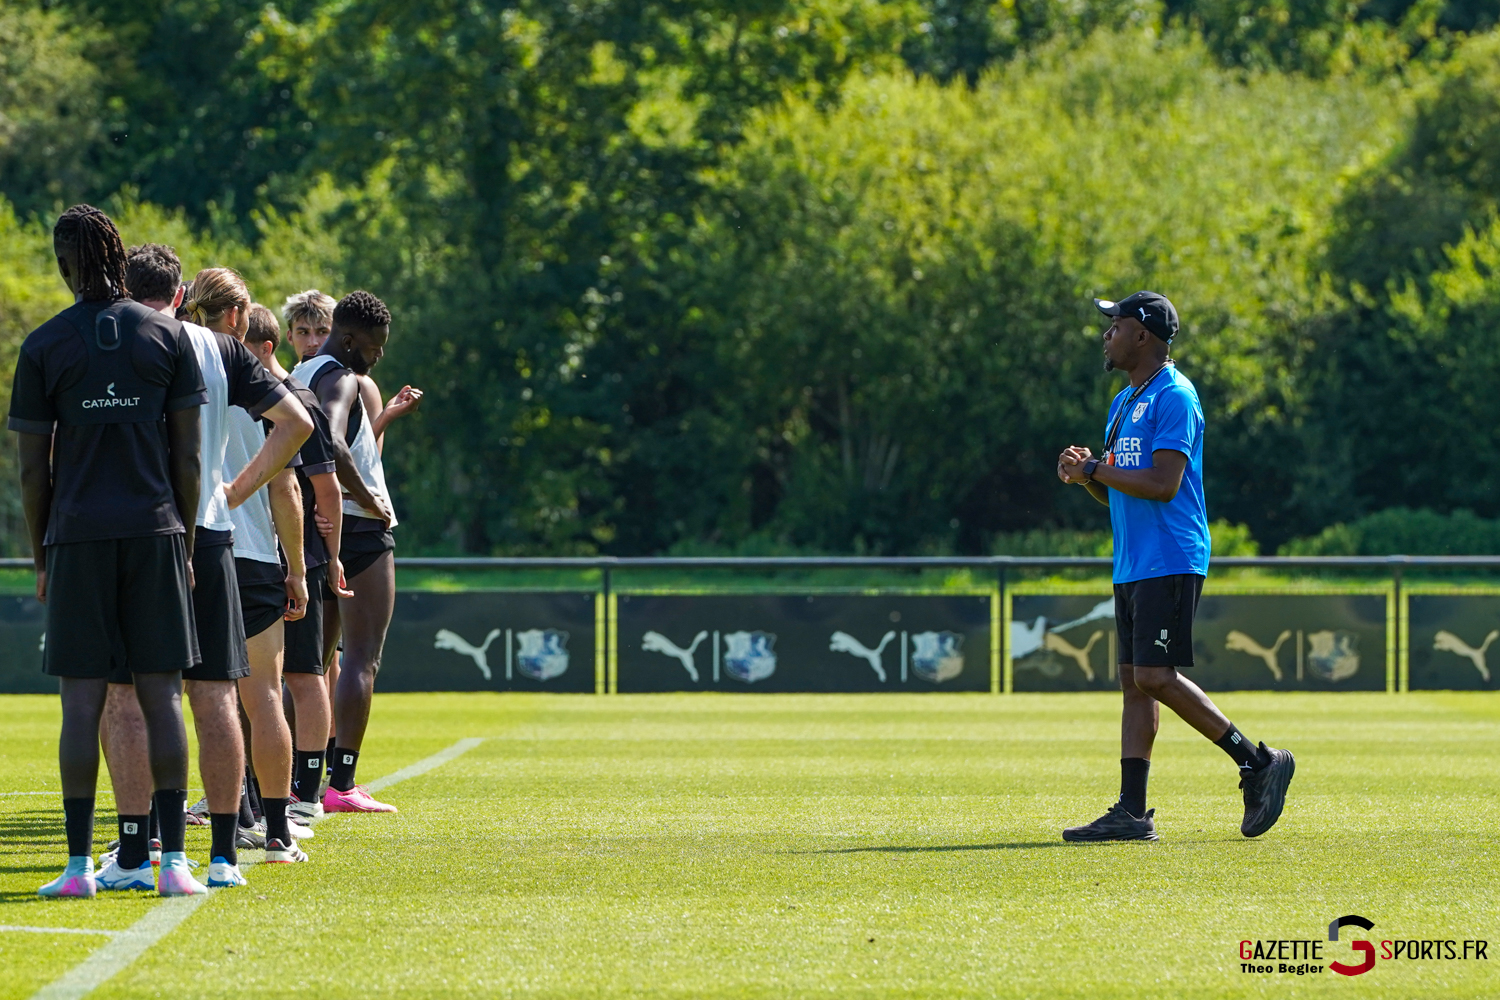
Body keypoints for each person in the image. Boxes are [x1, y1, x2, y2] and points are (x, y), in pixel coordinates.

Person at [95, 253, 310, 890]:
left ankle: (143, 846)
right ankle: (232, 849)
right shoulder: (222, 350)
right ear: (181, 291)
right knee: (226, 696)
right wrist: (234, 492)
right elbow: (298, 428)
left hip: (142, 534)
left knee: (130, 695)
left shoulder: (114, 337)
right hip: (219, 537)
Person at [11, 208, 205, 897]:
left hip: (77, 539)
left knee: (81, 704)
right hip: (156, 532)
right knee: (163, 697)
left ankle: (74, 870)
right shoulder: (168, 335)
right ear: (121, 256)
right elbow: (188, 453)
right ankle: (175, 864)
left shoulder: (43, 346)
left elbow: (34, 471)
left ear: (64, 264)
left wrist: (41, 555)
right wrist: (179, 534)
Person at [1056, 291, 1295, 842]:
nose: (1106, 335)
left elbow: (1163, 486)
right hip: (1134, 561)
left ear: (1143, 335)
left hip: (1171, 554)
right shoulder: (1123, 401)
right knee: (1134, 684)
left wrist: (1096, 467)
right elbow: (1121, 492)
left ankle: (1258, 762)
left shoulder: (1175, 396)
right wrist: (1088, 476)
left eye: (1114, 326)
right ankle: (1132, 813)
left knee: (1155, 676)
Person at [291, 291, 404, 812]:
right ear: (352, 337)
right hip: (357, 530)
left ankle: (296, 783)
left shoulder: (300, 371)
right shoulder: (339, 374)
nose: (378, 357)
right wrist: (370, 501)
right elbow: (332, 442)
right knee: (361, 659)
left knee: (310, 664)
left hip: (312, 528)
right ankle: (341, 785)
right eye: (376, 347)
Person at [215, 292, 316, 864]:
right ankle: (277, 832)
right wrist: (297, 571)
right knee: (265, 696)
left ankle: (179, 825)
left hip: (198, 549)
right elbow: (286, 488)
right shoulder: (260, 391)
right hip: (254, 555)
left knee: (198, 698)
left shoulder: (178, 370)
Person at [243, 304, 353, 822]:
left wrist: (327, 558)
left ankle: (306, 796)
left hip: (294, 559)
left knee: (305, 674)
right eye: (302, 330)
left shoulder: (298, 401)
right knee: (256, 680)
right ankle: (250, 798)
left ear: (263, 348)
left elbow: (323, 487)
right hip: (258, 556)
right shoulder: (241, 397)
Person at [283, 290, 335, 362]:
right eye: (303, 333)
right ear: (290, 337)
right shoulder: (291, 373)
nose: (313, 343)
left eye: (322, 332)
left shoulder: (346, 373)